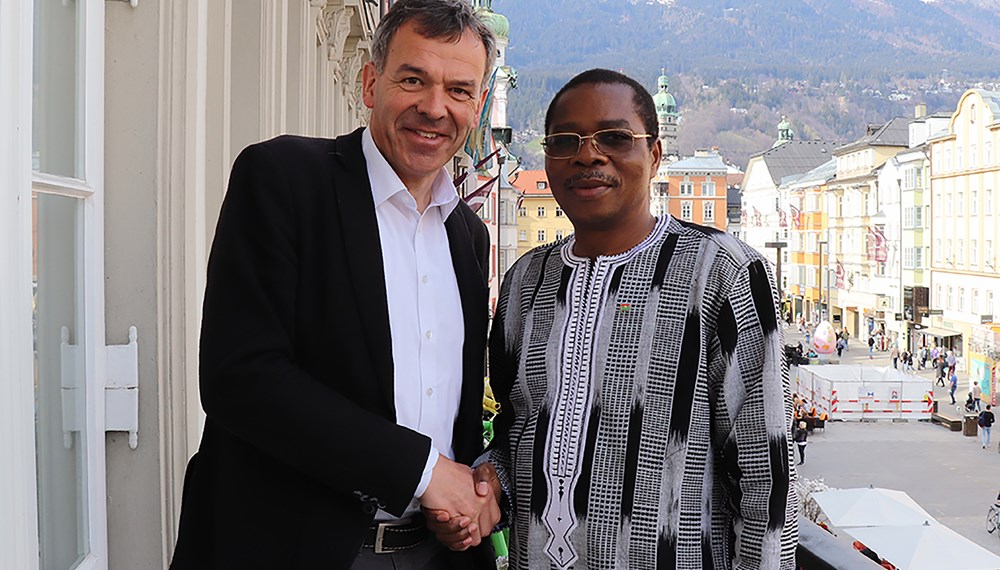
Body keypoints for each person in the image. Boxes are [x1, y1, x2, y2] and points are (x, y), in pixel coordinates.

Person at [169, 1, 500, 567]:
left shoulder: (467, 237)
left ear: (477, 105)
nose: (434, 108)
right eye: (413, 79)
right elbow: (240, 377)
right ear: (371, 83)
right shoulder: (284, 179)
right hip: (290, 549)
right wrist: (420, 472)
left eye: (460, 91)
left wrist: (482, 486)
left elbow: (458, 413)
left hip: (431, 553)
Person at [433, 69, 797, 568]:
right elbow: (516, 433)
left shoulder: (723, 272)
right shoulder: (524, 282)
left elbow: (765, 474)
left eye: (615, 137)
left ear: (654, 155)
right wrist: (487, 482)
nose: (588, 154)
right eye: (566, 141)